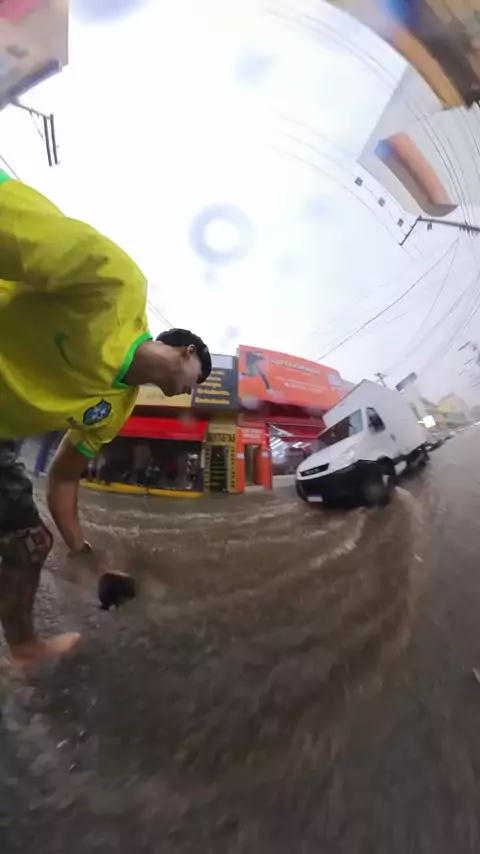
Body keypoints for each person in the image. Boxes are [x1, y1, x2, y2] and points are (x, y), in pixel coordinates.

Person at [0, 172, 211, 667]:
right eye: (198, 378)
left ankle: (24, 649)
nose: (193, 392)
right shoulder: (115, 286)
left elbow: (64, 477)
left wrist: (85, 555)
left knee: (31, 543)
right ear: (185, 351)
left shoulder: (119, 407)